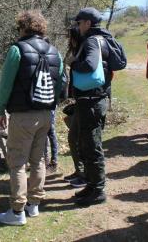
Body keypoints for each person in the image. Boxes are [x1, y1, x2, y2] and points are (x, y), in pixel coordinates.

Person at [0, 10, 63, 225]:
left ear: (23, 27)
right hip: (46, 114)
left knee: (17, 162)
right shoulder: (55, 52)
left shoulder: (17, 50)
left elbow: (6, 83)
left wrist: (0, 109)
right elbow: (59, 84)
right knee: (38, 159)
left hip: (23, 114)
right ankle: (34, 205)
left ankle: (17, 212)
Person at [69, 7, 122, 206]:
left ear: (88, 23)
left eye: (79, 22)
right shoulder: (103, 39)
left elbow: (90, 65)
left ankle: (98, 190)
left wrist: (73, 63)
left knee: (92, 146)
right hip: (96, 99)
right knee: (88, 145)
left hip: (91, 101)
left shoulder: (91, 41)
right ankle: (92, 186)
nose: (78, 26)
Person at [63, 26, 86, 188]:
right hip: (78, 101)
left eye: (70, 36)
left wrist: (74, 62)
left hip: (85, 102)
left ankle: (83, 174)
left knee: (76, 139)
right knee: (75, 138)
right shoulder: (76, 51)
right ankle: (80, 171)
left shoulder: (84, 52)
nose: (68, 39)